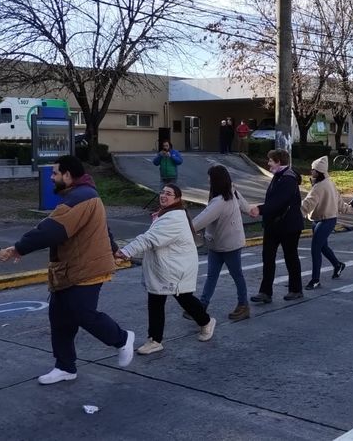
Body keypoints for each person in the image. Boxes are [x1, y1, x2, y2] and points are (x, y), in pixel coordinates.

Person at [0, 155, 135, 383]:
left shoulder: (80, 197)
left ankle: (122, 339)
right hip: (70, 268)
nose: (51, 177)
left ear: (68, 176)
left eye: (55, 173)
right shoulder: (83, 194)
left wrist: (20, 247)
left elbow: (52, 230)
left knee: (83, 313)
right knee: (60, 317)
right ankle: (65, 367)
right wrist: (112, 248)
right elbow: (103, 226)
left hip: (86, 268)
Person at [118, 184, 216, 355]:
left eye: (169, 194)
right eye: (162, 192)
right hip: (167, 267)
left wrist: (126, 251)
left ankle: (206, 322)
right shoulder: (166, 214)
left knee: (184, 299)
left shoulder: (173, 218)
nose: (163, 196)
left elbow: (149, 238)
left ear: (177, 199)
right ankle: (155, 340)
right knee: (157, 301)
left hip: (175, 268)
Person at [189, 165, 251, 320]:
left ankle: (243, 305)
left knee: (234, 275)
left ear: (216, 180)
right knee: (217, 275)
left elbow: (200, 221)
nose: (208, 180)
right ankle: (202, 306)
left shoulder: (219, 201)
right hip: (220, 243)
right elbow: (246, 207)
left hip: (227, 245)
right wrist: (252, 210)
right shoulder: (232, 191)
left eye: (210, 177)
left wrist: (183, 227)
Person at [249, 149, 305, 302]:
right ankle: (265, 292)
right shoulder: (279, 176)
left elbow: (279, 202)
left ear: (279, 162)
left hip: (289, 226)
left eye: (271, 161)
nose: (268, 164)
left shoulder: (288, 179)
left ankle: (296, 289)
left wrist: (260, 209)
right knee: (268, 258)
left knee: (290, 257)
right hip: (273, 225)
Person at [300, 156, 347, 289]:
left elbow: (307, 204)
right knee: (322, 247)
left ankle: (315, 280)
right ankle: (338, 265)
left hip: (326, 220)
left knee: (315, 248)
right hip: (321, 219)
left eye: (313, 169)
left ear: (319, 171)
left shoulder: (319, 186)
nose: (311, 171)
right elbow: (338, 199)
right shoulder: (328, 182)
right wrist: (345, 208)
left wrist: (295, 215)